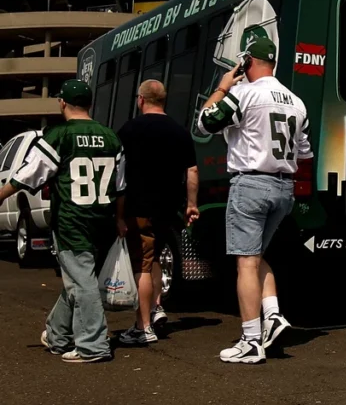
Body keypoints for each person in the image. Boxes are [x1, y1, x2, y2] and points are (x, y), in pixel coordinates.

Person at [196, 36, 313, 364]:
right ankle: (273, 317)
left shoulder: (243, 93)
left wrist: (221, 88)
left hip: (251, 184)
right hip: (284, 188)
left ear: (246, 63)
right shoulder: (296, 101)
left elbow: (205, 124)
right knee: (258, 255)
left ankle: (250, 339)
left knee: (245, 262)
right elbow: (304, 151)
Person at [0, 80, 123, 363]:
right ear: (90, 104)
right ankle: (58, 335)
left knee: (82, 283)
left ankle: (93, 346)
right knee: (79, 279)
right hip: (102, 218)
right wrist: (120, 219)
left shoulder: (59, 135)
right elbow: (121, 185)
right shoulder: (111, 137)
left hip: (72, 219)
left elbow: (28, 175)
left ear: (62, 103)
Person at [115, 80, 200, 346]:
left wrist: (117, 213)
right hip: (168, 208)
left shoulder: (128, 130)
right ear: (163, 100)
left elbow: (119, 175)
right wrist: (191, 204)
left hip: (138, 208)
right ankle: (155, 308)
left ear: (141, 99)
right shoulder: (180, 132)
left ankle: (143, 327)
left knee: (141, 263)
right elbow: (192, 171)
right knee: (154, 259)